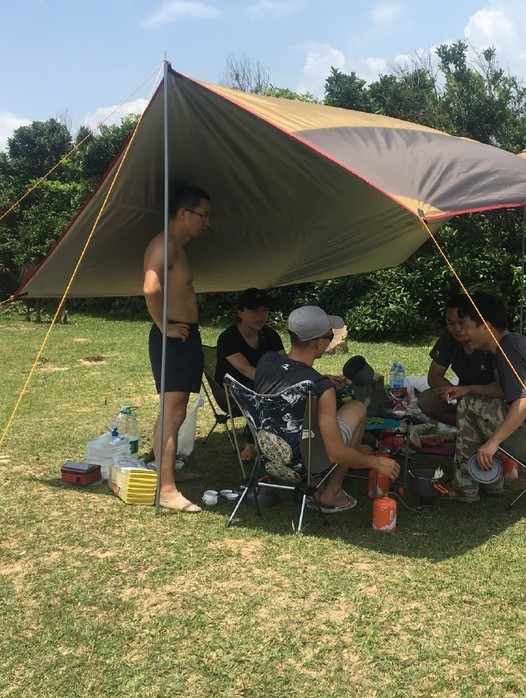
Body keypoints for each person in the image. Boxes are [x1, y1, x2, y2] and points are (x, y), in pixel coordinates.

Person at [254, 305, 400, 513]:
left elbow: (291, 374)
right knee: (357, 408)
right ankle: (332, 492)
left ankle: (316, 484)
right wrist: (375, 462)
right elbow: (336, 453)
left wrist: (322, 379)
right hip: (303, 461)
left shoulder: (266, 361)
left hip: (270, 455)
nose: (330, 340)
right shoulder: (319, 387)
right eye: (329, 336)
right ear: (318, 342)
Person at [445, 292, 526, 503]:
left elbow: (525, 401)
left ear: (486, 326)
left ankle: (465, 487)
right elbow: (509, 390)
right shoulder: (517, 342)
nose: (462, 332)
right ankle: (490, 482)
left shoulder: (506, 350)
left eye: (466, 325)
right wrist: (469, 388)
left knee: (467, 405)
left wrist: (494, 441)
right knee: (472, 399)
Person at [142, 185, 212, 513]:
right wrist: (163, 326)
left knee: (175, 411)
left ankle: (166, 475)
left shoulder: (176, 247)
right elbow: (150, 287)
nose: (206, 223)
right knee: (173, 413)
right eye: (203, 216)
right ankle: (166, 489)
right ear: (183, 213)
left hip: (183, 335)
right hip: (173, 336)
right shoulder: (164, 245)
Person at [215, 288, 285, 461]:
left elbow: (285, 363)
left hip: (263, 384)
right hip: (229, 389)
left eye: (264, 310)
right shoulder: (228, 337)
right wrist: (275, 383)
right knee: (260, 392)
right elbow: (244, 369)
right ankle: (251, 444)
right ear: (240, 312)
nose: (260, 316)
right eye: (254, 311)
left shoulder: (270, 335)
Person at [416, 293, 501, 425]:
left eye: (462, 323)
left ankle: (473, 426)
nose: (457, 329)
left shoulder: (491, 344)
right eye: (451, 323)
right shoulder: (450, 338)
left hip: (490, 398)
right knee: (427, 400)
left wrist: (469, 391)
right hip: (463, 395)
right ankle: (464, 425)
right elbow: (434, 375)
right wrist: (453, 392)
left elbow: (503, 388)